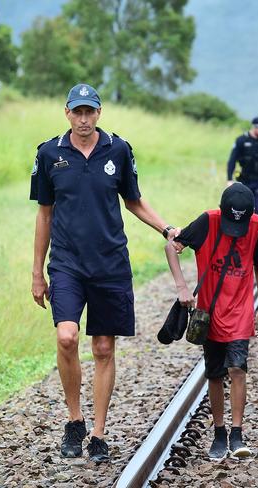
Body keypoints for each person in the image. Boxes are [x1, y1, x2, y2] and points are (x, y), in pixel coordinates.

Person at [30, 83, 180, 462]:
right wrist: (37, 272)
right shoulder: (49, 153)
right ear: (66, 113)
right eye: (76, 112)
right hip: (67, 263)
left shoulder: (119, 149)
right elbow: (44, 214)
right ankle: (74, 421)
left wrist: (166, 229)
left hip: (110, 263)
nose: (83, 119)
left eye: (89, 112)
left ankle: (97, 433)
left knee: (102, 347)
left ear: (99, 113)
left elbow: (134, 200)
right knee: (67, 337)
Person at [165, 183, 258, 460]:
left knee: (237, 369)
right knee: (214, 374)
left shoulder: (256, 225)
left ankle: (237, 433)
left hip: (241, 310)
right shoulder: (207, 221)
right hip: (209, 313)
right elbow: (172, 247)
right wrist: (181, 287)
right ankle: (219, 432)